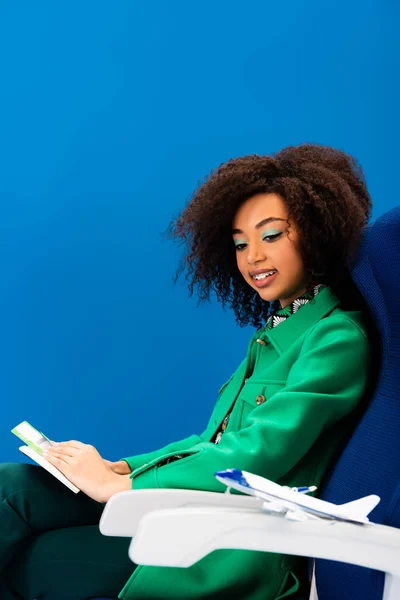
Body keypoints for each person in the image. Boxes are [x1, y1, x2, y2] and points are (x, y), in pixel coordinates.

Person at [0, 144, 376, 599]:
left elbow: (260, 452)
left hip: (237, 541)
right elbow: (211, 441)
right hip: (202, 505)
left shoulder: (335, 337)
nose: (253, 257)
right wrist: (118, 468)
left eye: (271, 235)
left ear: (318, 234)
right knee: (12, 486)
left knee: (37, 561)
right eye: (240, 243)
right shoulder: (278, 331)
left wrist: (125, 485)